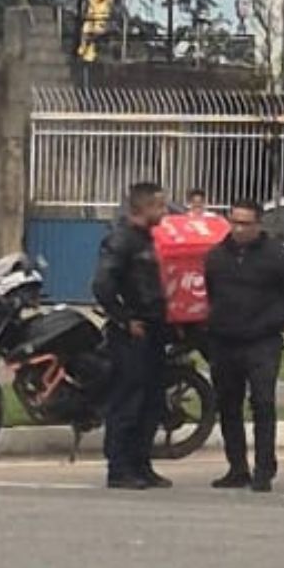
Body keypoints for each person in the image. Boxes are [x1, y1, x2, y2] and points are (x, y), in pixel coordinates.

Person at [203, 198, 284, 492]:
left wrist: (271, 324)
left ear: (259, 224)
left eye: (245, 223)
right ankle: (237, 468)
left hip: (262, 341)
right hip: (225, 341)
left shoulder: (280, 257)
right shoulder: (216, 256)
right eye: (234, 221)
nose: (238, 229)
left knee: (262, 402)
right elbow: (212, 292)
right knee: (228, 404)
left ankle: (264, 469)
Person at [91, 181, 174, 491]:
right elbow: (102, 285)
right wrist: (125, 320)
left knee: (152, 401)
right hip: (131, 335)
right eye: (160, 206)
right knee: (128, 400)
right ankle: (119, 468)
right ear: (144, 208)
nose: (165, 212)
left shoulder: (149, 240)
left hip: (154, 330)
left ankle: (141, 464)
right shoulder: (121, 240)